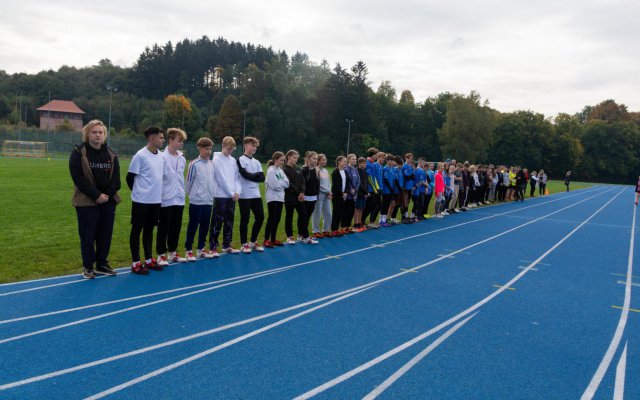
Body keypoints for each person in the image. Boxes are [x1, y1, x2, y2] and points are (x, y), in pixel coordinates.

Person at [69, 119, 120, 279]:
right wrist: (96, 195)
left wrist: (107, 196)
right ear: (87, 134)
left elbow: (116, 180)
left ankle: (102, 264)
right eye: (94, 132)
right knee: (88, 236)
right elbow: (78, 178)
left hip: (108, 202)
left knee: (105, 234)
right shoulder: (79, 153)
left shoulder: (111, 154)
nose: (98, 135)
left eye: (100, 132)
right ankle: (88, 266)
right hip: (86, 201)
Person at [127, 126, 166, 275]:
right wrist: (139, 193)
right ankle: (136, 262)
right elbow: (129, 178)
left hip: (155, 201)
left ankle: (149, 260)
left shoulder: (161, 156)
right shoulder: (140, 156)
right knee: (137, 230)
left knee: (149, 230)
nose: (163, 140)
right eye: (161, 138)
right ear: (151, 138)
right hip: (141, 201)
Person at [156, 128, 187, 267]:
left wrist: (182, 193)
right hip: (165, 198)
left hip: (179, 198)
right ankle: (161, 254)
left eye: (182, 141)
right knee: (164, 227)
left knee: (176, 227)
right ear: (170, 140)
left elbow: (180, 178)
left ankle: (172, 253)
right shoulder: (161, 157)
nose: (181, 143)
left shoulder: (182, 158)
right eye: (179, 140)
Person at [209, 136, 242, 256]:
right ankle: (213, 246)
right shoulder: (216, 160)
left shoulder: (233, 160)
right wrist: (231, 193)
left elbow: (237, 178)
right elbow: (220, 179)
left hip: (232, 196)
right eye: (229, 149)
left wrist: (237, 191)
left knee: (229, 221)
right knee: (217, 221)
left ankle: (226, 245)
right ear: (223, 146)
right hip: (220, 195)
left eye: (232, 149)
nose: (230, 151)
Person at [184, 137, 215, 260]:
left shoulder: (212, 164)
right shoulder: (194, 164)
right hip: (196, 201)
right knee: (193, 226)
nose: (208, 151)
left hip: (208, 201)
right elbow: (188, 182)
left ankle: (200, 249)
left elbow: (213, 181)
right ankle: (188, 250)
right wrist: (192, 195)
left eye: (210, 149)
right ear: (200, 148)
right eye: (206, 148)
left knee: (205, 226)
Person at [237, 136, 266, 254]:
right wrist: (255, 176)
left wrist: (252, 176)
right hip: (244, 195)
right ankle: (244, 244)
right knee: (245, 219)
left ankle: (253, 242)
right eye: (252, 145)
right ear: (245, 145)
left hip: (256, 194)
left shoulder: (257, 162)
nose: (254, 148)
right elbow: (244, 175)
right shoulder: (240, 160)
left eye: (255, 146)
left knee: (260, 217)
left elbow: (262, 178)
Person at [283, 150, 318, 244]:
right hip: (290, 197)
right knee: (289, 217)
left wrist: (302, 192)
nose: (296, 160)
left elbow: (303, 182)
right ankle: (289, 237)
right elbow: (289, 183)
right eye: (294, 158)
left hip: (300, 197)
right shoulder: (284, 169)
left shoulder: (298, 168)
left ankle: (305, 236)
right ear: (289, 157)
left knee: (304, 216)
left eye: (297, 158)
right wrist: (299, 192)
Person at [264, 151, 289, 247]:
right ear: (275, 160)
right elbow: (274, 186)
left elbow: (287, 183)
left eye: (284, 160)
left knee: (277, 219)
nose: (283, 162)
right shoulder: (271, 171)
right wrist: (281, 185)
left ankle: (273, 239)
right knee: (272, 218)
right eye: (281, 160)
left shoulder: (280, 171)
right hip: (272, 198)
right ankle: (266, 239)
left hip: (280, 198)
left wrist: (280, 185)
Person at [312, 154, 332, 238]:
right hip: (319, 195)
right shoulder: (316, 170)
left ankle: (326, 230)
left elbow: (328, 183)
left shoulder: (325, 171)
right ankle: (316, 230)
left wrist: (329, 192)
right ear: (318, 161)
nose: (325, 161)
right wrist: (327, 191)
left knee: (328, 213)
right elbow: (318, 184)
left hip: (327, 195)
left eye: (325, 159)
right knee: (317, 213)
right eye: (323, 160)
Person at [301, 151, 321, 236]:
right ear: (308, 159)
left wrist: (317, 194)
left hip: (313, 196)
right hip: (305, 196)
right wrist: (302, 193)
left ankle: (303, 234)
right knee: (303, 217)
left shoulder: (316, 170)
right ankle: (302, 234)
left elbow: (317, 184)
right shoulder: (304, 170)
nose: (316, 160)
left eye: (316, 159)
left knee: (308, 216)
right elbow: (302, 183)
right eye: (314, 158)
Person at [331, 156, 351, 235]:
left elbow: (347, 183)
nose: (345, 163)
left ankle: (338, 228)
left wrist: (346, 192)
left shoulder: (345, 172)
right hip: (337, 195)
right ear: (339, 162)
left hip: (344, 195)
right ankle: (334, 229)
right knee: (336, 211)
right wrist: (342, 193)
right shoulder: (335, 172)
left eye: (346, 162)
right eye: (344, 161)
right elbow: (336, 185)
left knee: (341, 212)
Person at [342, 154, 360, 231]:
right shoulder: (346, 169)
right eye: (353, 159)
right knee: (346, 211)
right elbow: (347, 181)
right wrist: (350, 189)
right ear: (348, 160)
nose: (354, 160)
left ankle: (348, 226)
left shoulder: (355, 169)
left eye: (355, 159)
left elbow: (358, 181)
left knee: (352, 211)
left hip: (354, 194)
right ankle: (344, 226)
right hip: (348, 194)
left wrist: (355, 189)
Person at [354, 157, 368, 230]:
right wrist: (365, 191)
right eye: (363, 163)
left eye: (365, 163)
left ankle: (359, 222)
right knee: (357, 208)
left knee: (361, 208)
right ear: (359, 163)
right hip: (359, 192)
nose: (365, 164)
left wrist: (367, 191)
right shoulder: (357, 171)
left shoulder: (365, 171)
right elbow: (359, 183)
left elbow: (366, 182)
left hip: (364, 192)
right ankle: (355, 223)